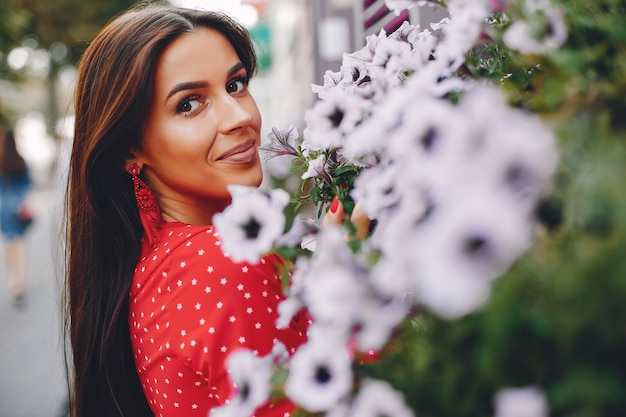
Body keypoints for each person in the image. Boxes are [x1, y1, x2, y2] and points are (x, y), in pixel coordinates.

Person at [63, 4, 314, 417]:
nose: (240, 117)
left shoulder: (154, 263)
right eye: (189, 104)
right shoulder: (225, 265)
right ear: (130, 149)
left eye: (235, 85)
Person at [0, 127, 32, 307]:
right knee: (18, 245)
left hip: (3, 207)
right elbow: (28, 184)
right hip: (17, 206)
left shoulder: (1, 161)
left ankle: (13, 280)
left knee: (9, 245)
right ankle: (19, 282)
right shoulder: (20, 161)